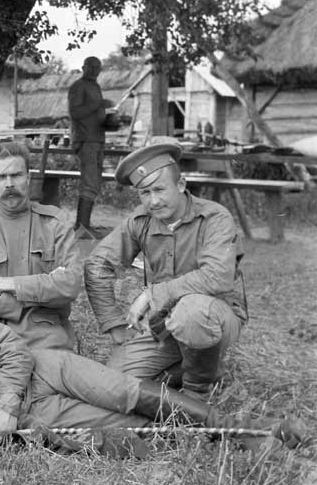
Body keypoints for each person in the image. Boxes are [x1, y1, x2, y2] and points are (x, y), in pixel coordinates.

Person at [0, 253, 301, 450]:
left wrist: (7, 402)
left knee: (128, 391)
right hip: (34, 411)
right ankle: (226, 443)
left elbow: (12, 345)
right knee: (129, 428)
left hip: (45, 368)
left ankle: (250, 429)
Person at [84, 143, 248, 399]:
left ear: (181, 184)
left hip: (216, 317)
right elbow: (97, 265)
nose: (153, 201)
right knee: (112, 384)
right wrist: (114, 324)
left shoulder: (215, 218)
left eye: (160, 189)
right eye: (144, 192)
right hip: (163, 324)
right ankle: (199, 367)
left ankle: (197, 392)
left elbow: (217, 277)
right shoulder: (140, 222)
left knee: (191, 312)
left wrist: (151, 295)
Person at [0, 140, 82, 351]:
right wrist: (37, 297)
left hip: (47, 334)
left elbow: (70, 284)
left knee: (53, 371)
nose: (9, 184)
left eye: (16, 175)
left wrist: (7, 284)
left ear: (28, 178)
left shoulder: (55, 224)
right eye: (1, 177)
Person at [67, 56, 114, 238]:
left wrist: (109, 120)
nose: (95, 71)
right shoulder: (78, 87)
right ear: (83, 67)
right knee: (90, 182)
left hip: (97, 139)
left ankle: (83, 225)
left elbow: (94, 114)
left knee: (94, 183)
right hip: (85, 140)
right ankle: (82, 228)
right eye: (92, 67)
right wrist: (98, 105)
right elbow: (75, 112)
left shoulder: (95, 87)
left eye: (98, 68)